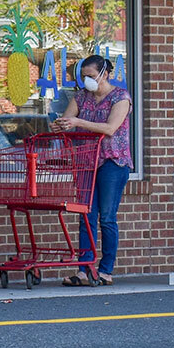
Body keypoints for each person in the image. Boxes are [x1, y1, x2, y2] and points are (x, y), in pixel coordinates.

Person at [54, 54, 132, 287]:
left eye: (90, 76)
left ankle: (106, 270)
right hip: (87, 162)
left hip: (112, 162)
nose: (86, 80)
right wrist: (60, 125)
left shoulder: (121, 97)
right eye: (83, 76)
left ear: (104, 74)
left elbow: (109, 128)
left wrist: (78, 123)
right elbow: (67, 120)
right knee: (86, 216)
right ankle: (84, 268)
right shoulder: (81, 97)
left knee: (107, 218)